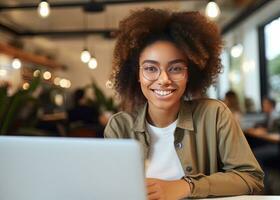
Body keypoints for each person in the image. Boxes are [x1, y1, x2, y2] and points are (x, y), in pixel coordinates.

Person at [104, 8, 264, 199]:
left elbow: (251, 178)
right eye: (150, 68)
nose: (163, 79)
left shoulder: (214, 115)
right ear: (136, 75)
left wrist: (187, 186)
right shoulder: (120, 127)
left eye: (176, 68)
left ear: (190, 74)